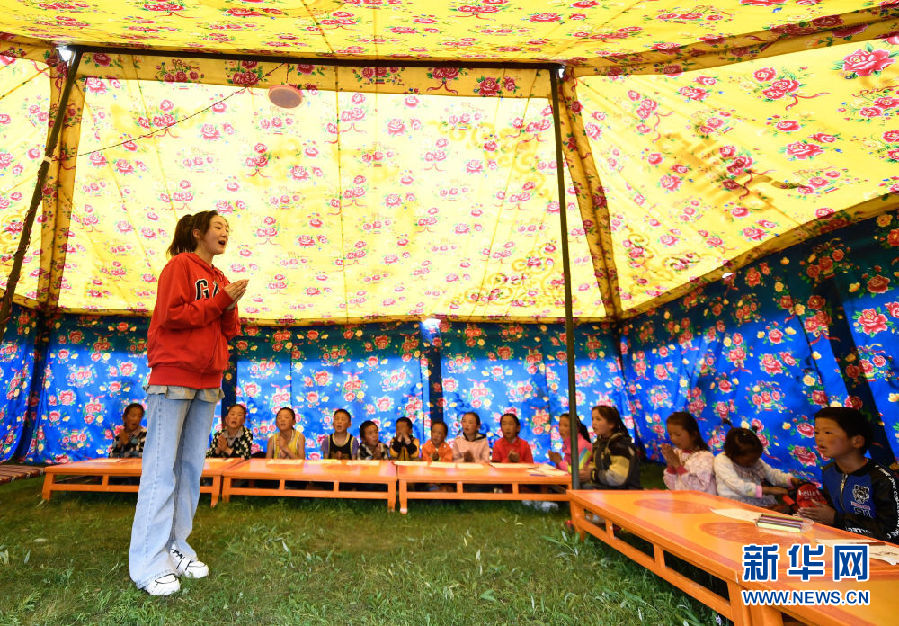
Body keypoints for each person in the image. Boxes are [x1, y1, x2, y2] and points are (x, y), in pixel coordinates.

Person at [129, 210, 248, 596]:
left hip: (208, 381)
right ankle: (148, 563)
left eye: (227, 228)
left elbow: (228, 329)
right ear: (198, 232)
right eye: (218, 227)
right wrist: (220, 301)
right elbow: (172, 316)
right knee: (161, 470)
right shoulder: (179, 266)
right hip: (174, 376)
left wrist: (229, 303)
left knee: (190, 469)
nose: (225, 232)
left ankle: (176, 546)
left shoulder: (221, 278)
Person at [799, 407, 899, 542]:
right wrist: (816, 516)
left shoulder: (883, 479)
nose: (819, 438)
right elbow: (833, 514)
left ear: (857, 441)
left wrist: (836, 519)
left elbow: (892, 532)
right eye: (816, 432)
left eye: (828, 432)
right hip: (842, 543)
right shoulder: (829, 472)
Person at [714, 427, 799, 507]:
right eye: (749, 461)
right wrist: (769, 490)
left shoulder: (754, 461)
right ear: (733, 454)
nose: (754, 463)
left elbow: (771, 474)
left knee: (784, 507)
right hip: (733, 503)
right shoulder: (722, 461)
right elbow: (739, 487)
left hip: (755, 500)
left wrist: (789, 480)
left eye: (756, 459)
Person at [579, 406, 641, 489]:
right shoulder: (599, 444)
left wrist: (592, 474)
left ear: (611, 424)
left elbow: (617, 478)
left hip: (625, 491)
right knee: (576, 486)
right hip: (608, 488)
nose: (594, 423)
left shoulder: (619, 445)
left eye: (598, 419)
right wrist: (585, 471)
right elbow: (596, 466)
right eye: (593, 419)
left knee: (584, 488)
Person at [661, 411, 716, 495]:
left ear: (693, 435)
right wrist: (671, 464)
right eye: (670, 434)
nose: (673, 439)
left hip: (702, 501)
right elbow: (672, 486)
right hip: (683, 499)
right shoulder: (678, 453)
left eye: (678, 435)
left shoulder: (705, 457)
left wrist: (677, 465)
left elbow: (700, 488)